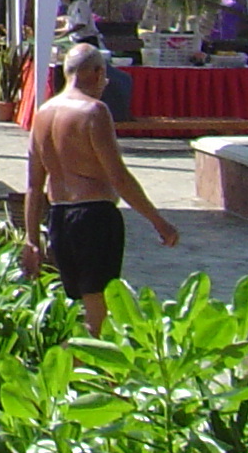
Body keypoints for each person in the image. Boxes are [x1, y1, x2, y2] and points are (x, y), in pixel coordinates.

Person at [24, 40, 179, 328]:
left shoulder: (42, 114)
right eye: (104, 76)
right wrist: (157, 221)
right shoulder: (94, 112)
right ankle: (88, 368)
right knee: (99, 311)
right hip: (94, 217)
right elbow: (118, 176)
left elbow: (34, 186)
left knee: (82, 304)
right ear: (96, 73)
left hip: (58, 217)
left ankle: (77, 366)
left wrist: (32, 239)